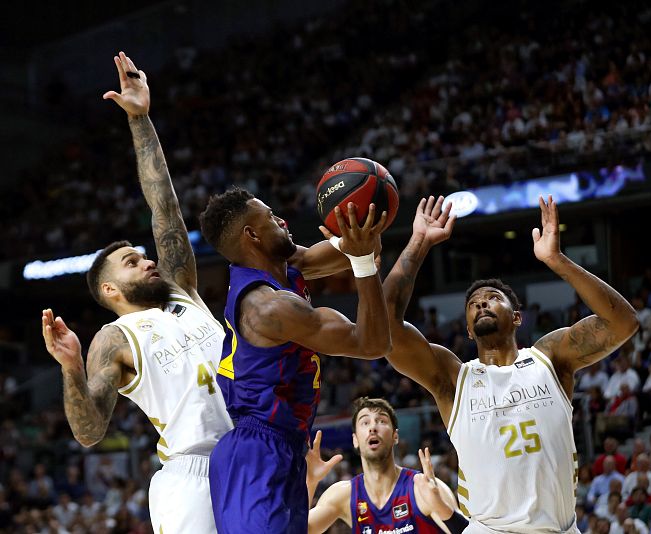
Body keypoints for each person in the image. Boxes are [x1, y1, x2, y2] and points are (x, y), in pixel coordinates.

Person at [41, 53, 236, 533]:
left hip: (250, 450)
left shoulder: (180, 289)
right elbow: (89, 433)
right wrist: (71, 369)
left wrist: (141, 119)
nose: (149, 260)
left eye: (145, 255)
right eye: (133, 261)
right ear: (110, 289)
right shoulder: (115, 337)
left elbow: (163, 204)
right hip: (193, 475)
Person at [381, 195, 639, 532]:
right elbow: (383, 329)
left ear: (517, 317)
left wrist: (558, 260)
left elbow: (623, 323)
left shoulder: (550, 358)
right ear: (469, 331)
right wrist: (419, 242)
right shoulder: (453, 377)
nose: (482, 304)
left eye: (492, 299)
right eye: (474, 304)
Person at [198, 186, 392, 530]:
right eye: (271, 217)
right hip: (256, 453)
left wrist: (362, 226)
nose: (282, 220)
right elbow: (371, 343)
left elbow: (351, 248)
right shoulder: (268, 306)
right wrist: (362, 259)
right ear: (252, 235)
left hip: (285, 446)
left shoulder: (282, 267)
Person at [305, 397, 467, 533]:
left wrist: (443, 509)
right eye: (365, 423)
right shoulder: (344, 495)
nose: (373, 427)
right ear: (355, 440)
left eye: (381, 421)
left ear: (395, 436)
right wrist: (309, 483)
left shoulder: (422, 488)